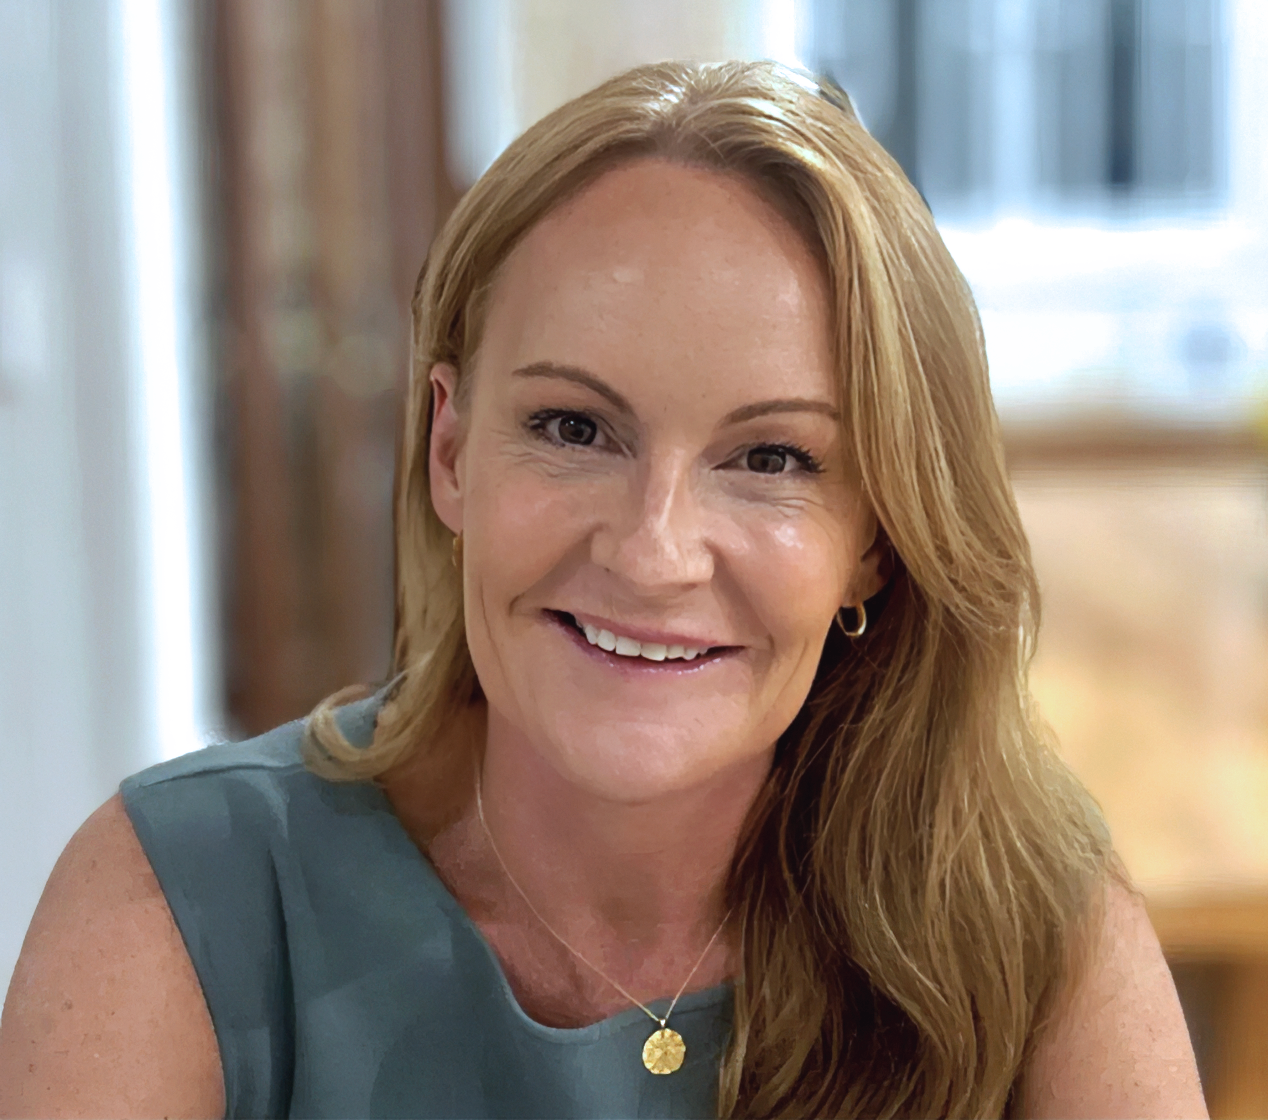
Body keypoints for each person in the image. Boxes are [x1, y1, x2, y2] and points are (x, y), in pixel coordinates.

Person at [0, 61, 1205, 1119]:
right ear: (450, 451)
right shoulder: (177, 897)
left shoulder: (1030, 925)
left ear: (876, 541)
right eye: (573, 426)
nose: (650, 550)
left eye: (770, 458)